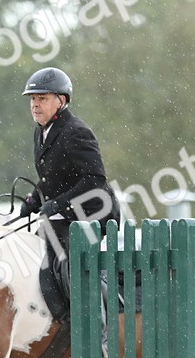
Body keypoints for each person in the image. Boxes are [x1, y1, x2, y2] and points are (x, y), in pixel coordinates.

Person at [17, 67, 120, 297]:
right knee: (33, 254)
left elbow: (95, 180)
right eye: (33, 99)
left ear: (61, 101)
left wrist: (59, 203)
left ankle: (99, 323)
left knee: (69, 268)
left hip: (92, 214)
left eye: (42, 98)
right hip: (65, 217)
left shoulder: (77, 132)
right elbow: (50, 178)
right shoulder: (41, 132)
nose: (35, 104)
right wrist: (33, 199)